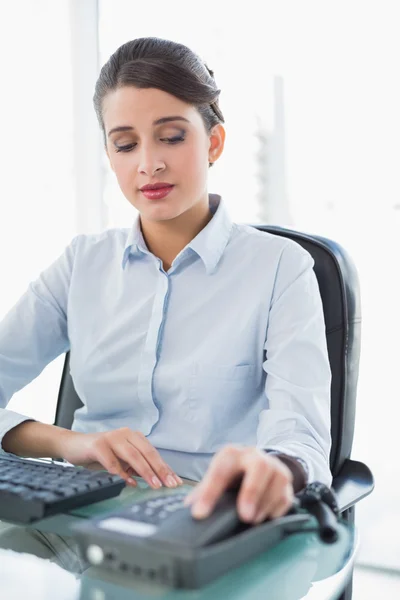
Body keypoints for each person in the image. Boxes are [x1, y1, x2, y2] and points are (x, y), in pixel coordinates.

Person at [0, 37, 332, 534]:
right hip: (78, 519)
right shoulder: (81, 264)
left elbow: (299, 433)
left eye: (172, 137)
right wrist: (72, 444)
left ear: (214, 143)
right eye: (126, 144)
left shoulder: (282, 267)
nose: (148, 164)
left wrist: (278, 468)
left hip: (212, 517)